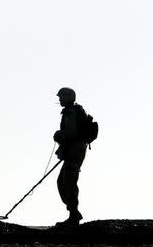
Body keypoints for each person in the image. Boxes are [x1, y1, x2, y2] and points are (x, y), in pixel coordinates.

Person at [53, 87, 87, 227]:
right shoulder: (72, 112)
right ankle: (73, 213)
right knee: (62, 182)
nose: (59, 99)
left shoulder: (71, 113)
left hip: (74, 154)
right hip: (73, 153)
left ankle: (73, 216)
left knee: (68, 183)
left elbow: (71, 134)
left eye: (61, 97)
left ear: (68, 97)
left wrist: (59, 135)